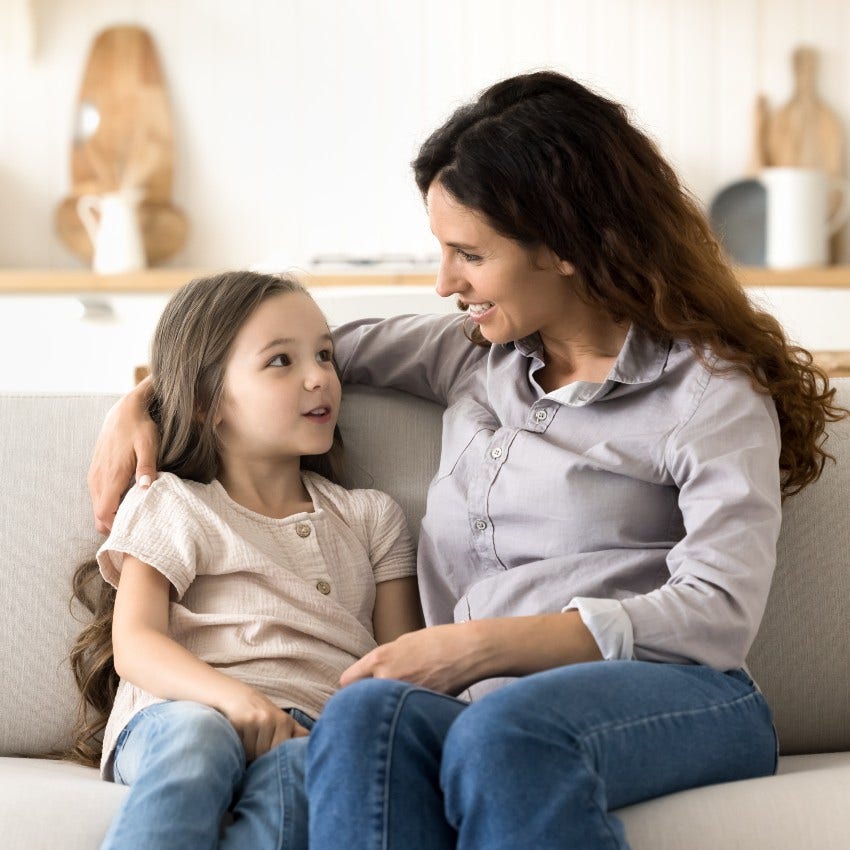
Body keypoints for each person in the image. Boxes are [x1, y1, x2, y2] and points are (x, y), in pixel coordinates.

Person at [86, 72, 847, 850]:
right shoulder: (473, 353)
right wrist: (147, 397)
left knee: (508, 731)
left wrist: (481, 646)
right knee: (360, 715)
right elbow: (264, 358)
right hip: (478, 703)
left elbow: (717, 613)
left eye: (468, 254)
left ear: (565, 247)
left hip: (680, 694)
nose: (444, 282)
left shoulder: (709, 391)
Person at [68, 270, 422, 850]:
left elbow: (402, 666)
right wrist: (234, 700)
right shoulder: (174, 501)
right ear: (208, 401)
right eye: (281, 361)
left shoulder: (370, 517)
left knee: (301, 781)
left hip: (309, 733)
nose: (320, 378)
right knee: (199, 739)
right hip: (180, 714)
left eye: (326, 355)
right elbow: (136, 644)